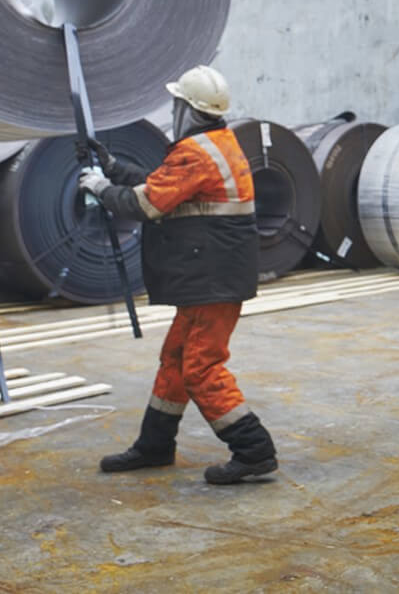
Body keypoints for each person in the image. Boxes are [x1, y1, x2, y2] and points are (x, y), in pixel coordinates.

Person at [76, 65, 278, 484]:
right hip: (211, 278)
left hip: (212, 281)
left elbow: (147, 203)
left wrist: (98, 187)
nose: (173, 110)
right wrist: (112, 168)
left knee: (200, 368)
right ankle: (155, 444)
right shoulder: (216, 144)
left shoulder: (196, 152)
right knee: (176, 359)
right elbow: (164, 183)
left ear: (187, 108)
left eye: (176, 104)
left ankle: (254, 449)